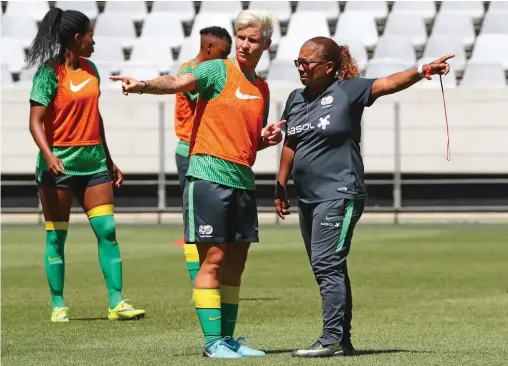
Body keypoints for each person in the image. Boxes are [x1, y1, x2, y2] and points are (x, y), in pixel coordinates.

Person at [111, 9, 284, 359]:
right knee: (215, 259)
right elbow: (177, 83)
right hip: (208, 176)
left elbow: (251, 141)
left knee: (237, 261)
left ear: (266, 44)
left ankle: (229, 339)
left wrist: (267, 138)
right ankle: (212, 343)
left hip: (242, 180)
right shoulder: (217, 69)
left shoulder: (262, 88)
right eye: (241, 37)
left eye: (253, 39)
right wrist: (142, 86)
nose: (245, 45)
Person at [274, 36, 453, 358]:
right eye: (298, 62)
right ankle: (341, 340)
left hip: (340, 192)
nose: (301, 68)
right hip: (308, 197)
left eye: (307, 63)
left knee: (326, 264)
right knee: (329, 267)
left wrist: (424, 70)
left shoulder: (348, 90)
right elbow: (291, 142)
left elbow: (388, 83)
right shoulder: (295, 98)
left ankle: (330, 340)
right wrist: (280, 183)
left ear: (329, 67)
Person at [27, 8, 145, 322]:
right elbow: (35, 122)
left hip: (94, 165)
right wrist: (49, 155)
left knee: (107, 231)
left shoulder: (91, 69)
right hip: (59, 168)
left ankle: (117, 303)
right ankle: (58, 305)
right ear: (77, 38)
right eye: (91, 35)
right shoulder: (48, 73)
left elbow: (96, 117)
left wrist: (109, 158)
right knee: (56, 236)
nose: (94, 41)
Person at [174, 26, 232, 290]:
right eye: (222, 54)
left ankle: (209, 278)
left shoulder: (213, 71)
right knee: (193, 221)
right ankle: (196, 281)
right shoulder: (189, 73)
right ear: (208, 48)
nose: (225, 61)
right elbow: (211, 100)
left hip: (210, 152)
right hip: (190, 152)